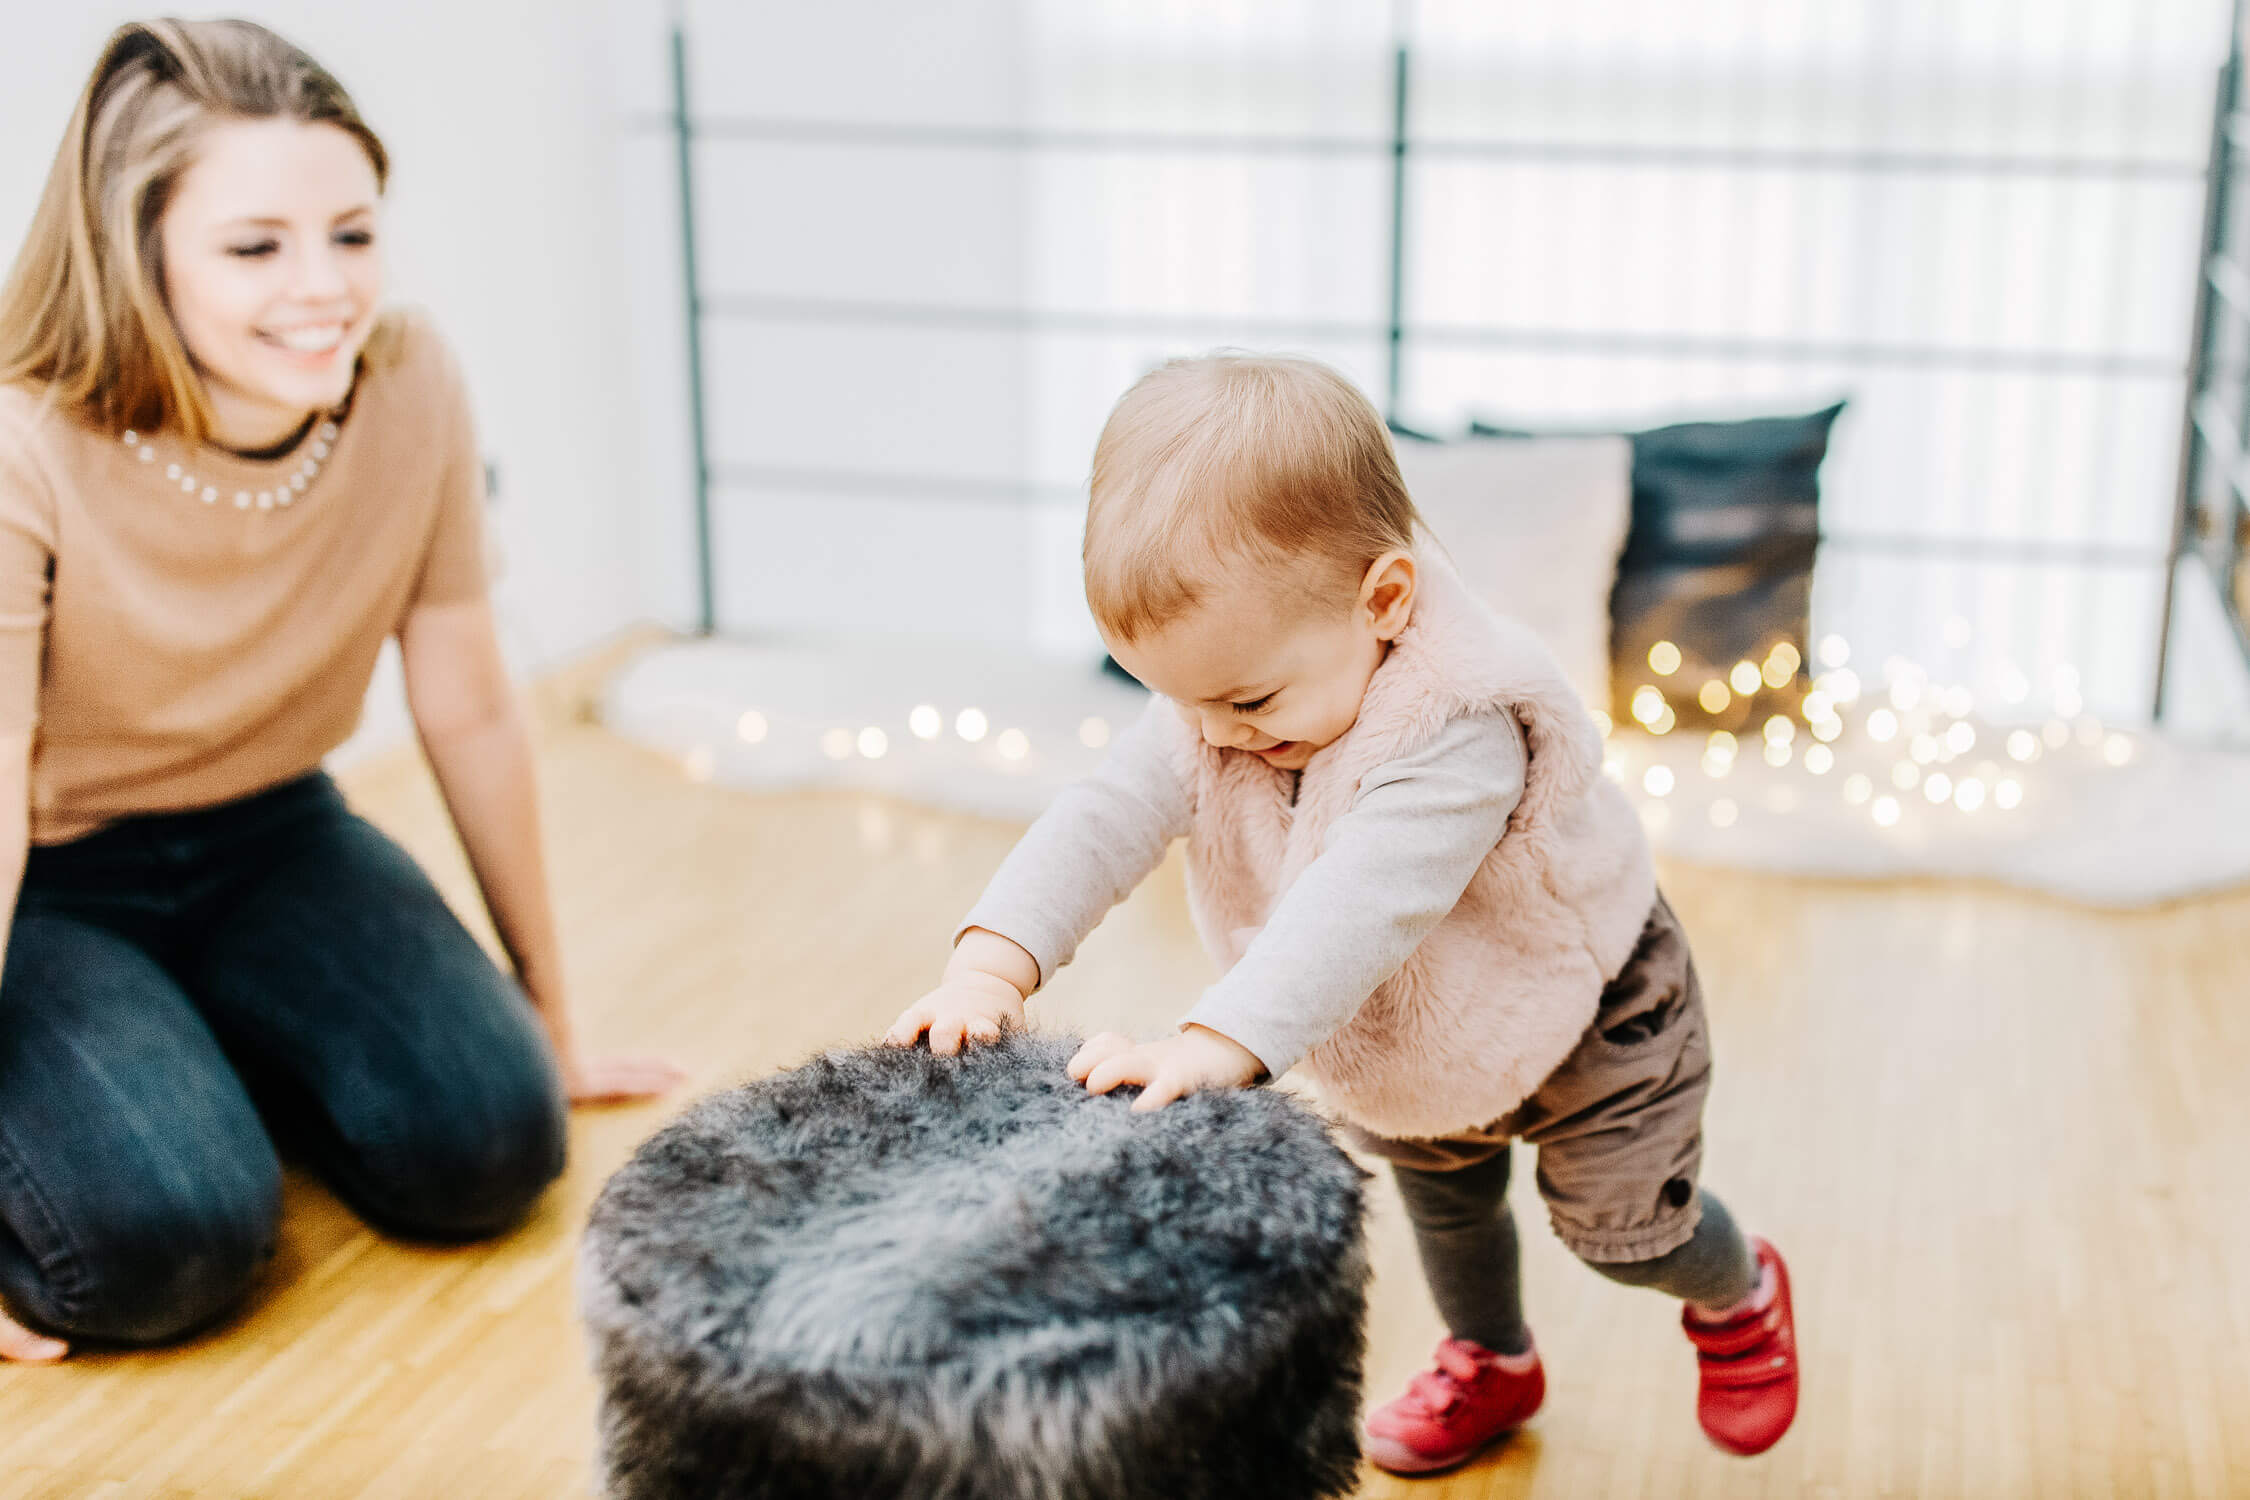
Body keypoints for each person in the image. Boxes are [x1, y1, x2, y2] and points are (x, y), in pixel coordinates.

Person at [888, 352, 1799, 1470]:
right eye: (1176, 700)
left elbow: (1361, 905)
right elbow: (1102, 817)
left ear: (1385, 600)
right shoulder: (1219, 705)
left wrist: (1217, 1040)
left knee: (1623, 1233)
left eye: (1247, 701)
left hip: (1588, 1001)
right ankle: (1493, 1360)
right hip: (1420, 1023)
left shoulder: (1461, 723)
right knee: (1448, 1204)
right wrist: (992, 964)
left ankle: (1737, 1287)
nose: (1213, 733)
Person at [0, 18, 681, 1364]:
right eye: (254, 246)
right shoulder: (27, 441)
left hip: (273, 833)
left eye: (351, 234)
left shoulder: (410, 382)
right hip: (51, 879)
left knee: (495, 1148)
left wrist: (551, 1013)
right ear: (141, 253)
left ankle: (196, 1049)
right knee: (162, 1247)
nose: (322, 287)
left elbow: (469, 704)